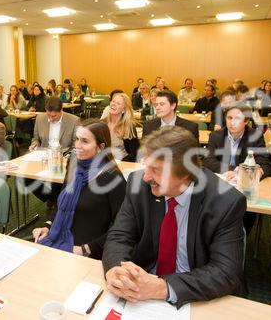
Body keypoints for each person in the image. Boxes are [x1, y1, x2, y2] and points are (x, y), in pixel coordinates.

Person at [103, 126, 247, 308]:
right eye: (146, 165)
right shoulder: (138, 185)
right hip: (143, 291)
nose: (146, 176)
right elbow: (119, 236)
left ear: (185, 173)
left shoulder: (225, 202)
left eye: (156, 170)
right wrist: (116, 269)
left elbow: (226, 272)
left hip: (197, 297)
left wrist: (161, 287)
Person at [32, 119, 126, 259]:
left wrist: (87, 249)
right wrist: (48, 226)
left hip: (86, 251)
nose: (77, 145)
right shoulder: (74, 164)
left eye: (84, 141)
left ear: (100, 147)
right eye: (76, 139)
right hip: (59, 238)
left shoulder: (113, 179)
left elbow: (121, 228)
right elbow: (61, 203)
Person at [203, 104, 271, 235]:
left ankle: (242, 236)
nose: (232, 122)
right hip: (221, 184)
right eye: (229, 118)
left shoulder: (255, 136)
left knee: (246, 211)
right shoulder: (216, 136)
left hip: (245, 188)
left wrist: (247, 172)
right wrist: (234, 170)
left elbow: (265, 163)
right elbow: (208, 161)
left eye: (237, 118)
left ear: (246, 121)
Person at [102, 92, 139, 161]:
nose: (113, 104)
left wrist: (117, 163)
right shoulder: (101, 123)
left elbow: (134, 154)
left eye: (118, 103)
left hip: (121, 165)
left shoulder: (128, 127)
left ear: (124, 110)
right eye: (113, 101)